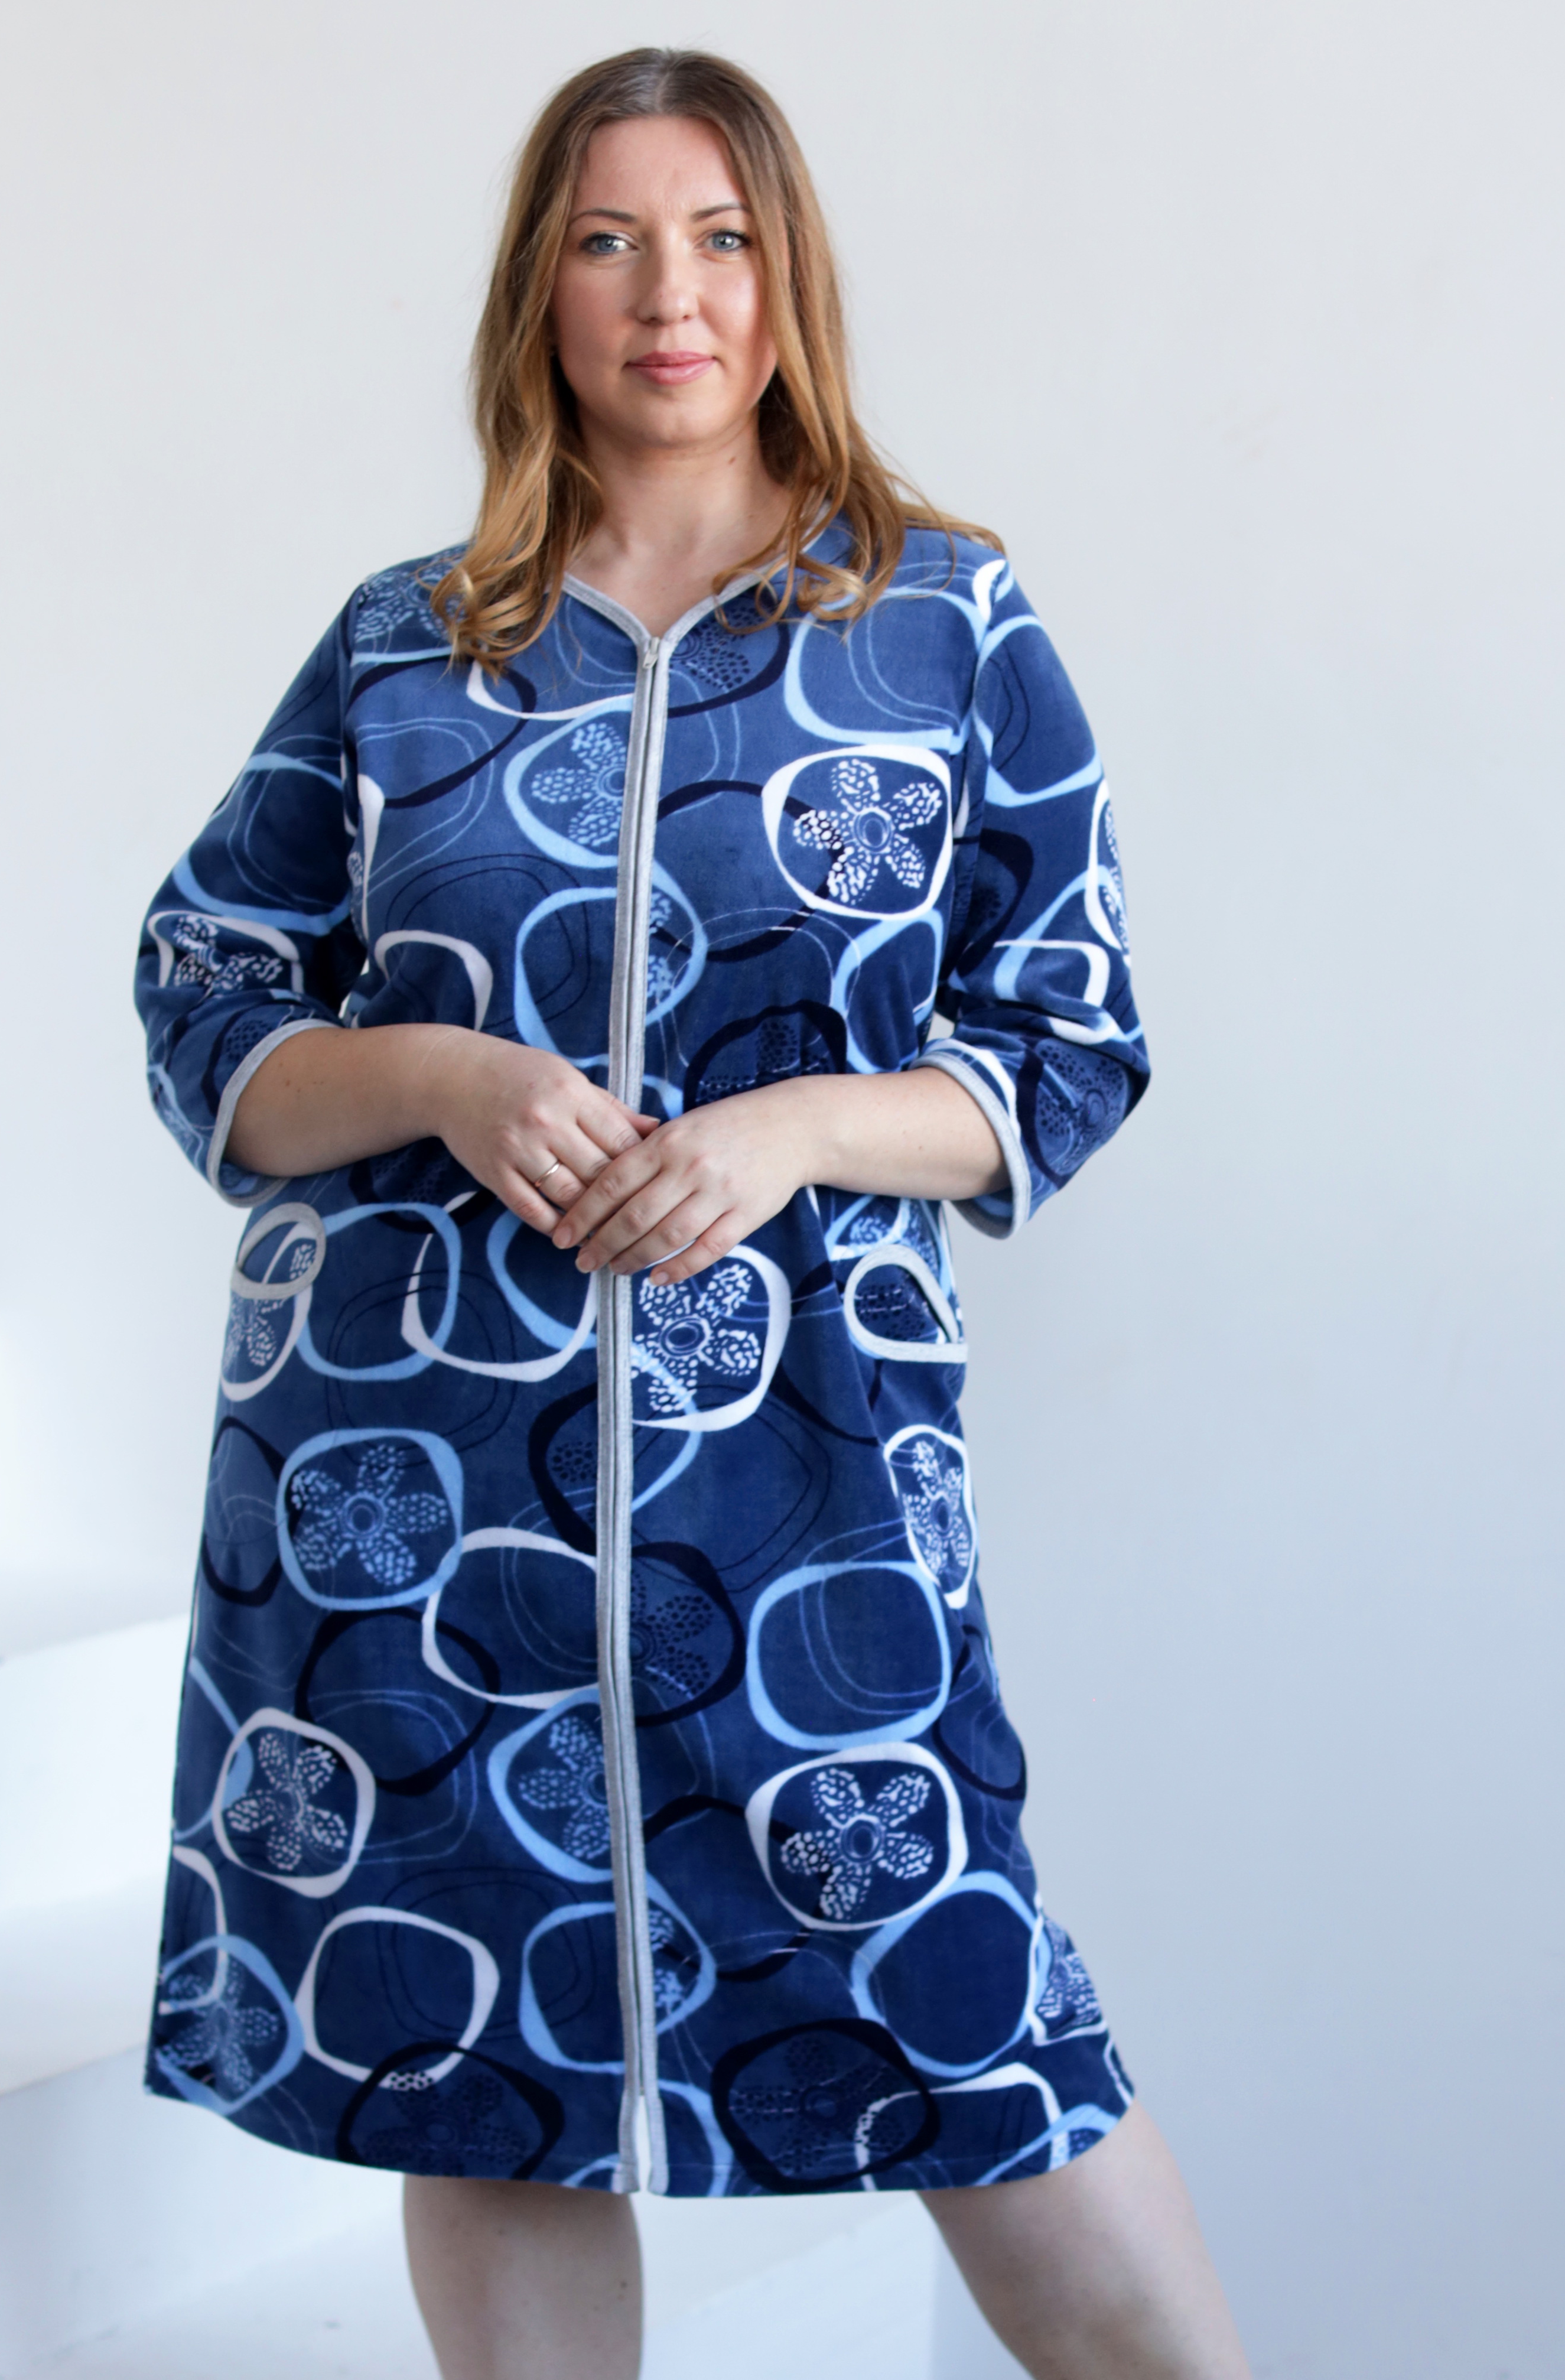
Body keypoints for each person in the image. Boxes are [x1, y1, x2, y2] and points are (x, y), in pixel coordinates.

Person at [133, 44, 1251, 2380]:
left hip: (806, 1484)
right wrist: (443, 1075)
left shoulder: (939, 617)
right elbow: (208, 995)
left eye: (723, 236)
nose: (672, 293)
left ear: (788, 276)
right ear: (538, 289)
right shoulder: (409, 641)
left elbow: (1070, 1037)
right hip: (423, 1502)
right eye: (611, 238)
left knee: (974, 2019)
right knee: (491, 2074)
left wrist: (794, 1130)